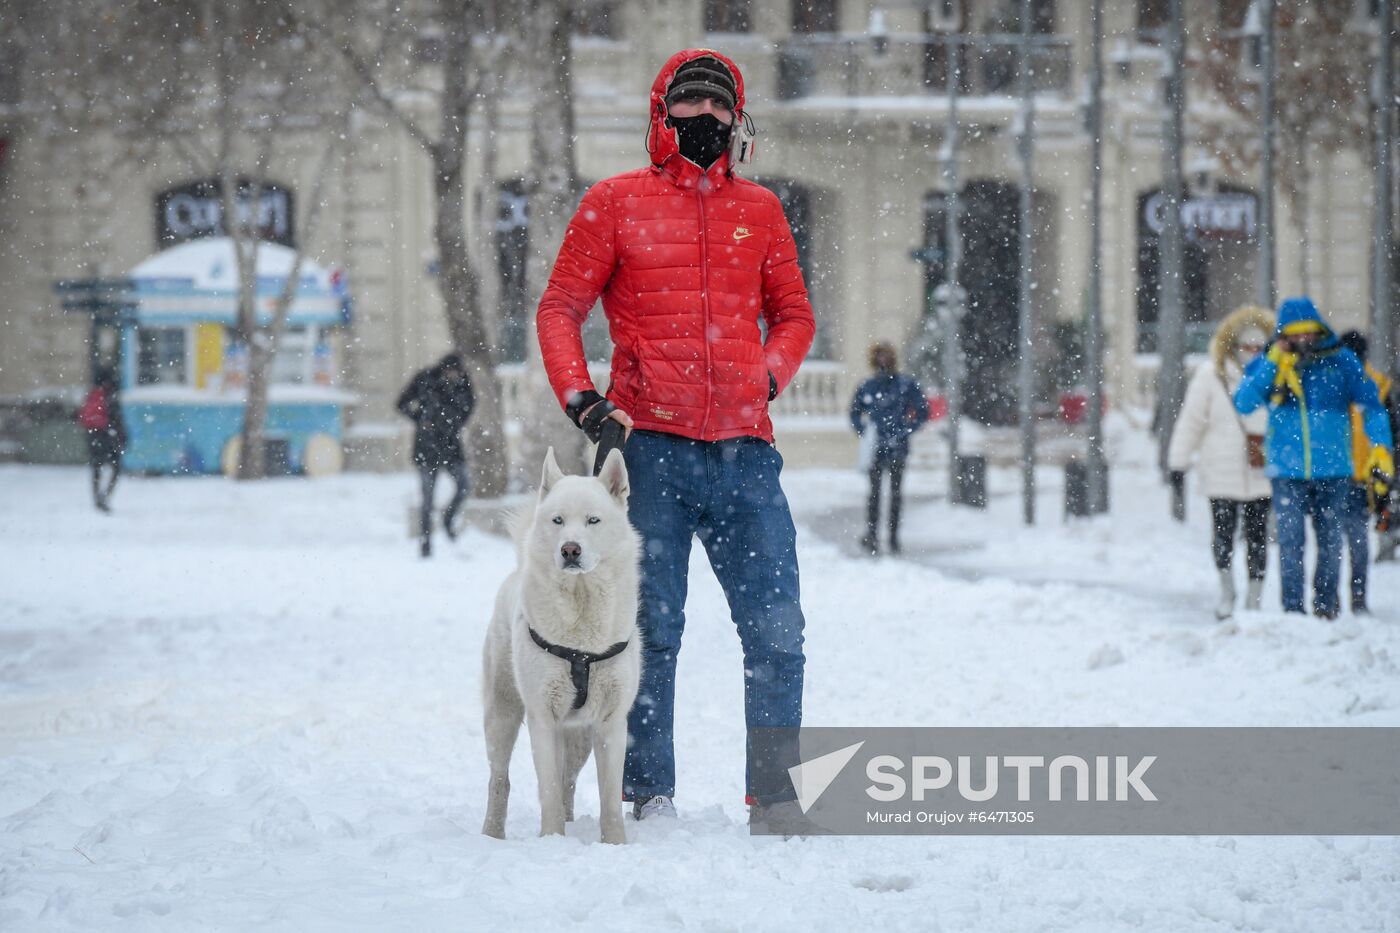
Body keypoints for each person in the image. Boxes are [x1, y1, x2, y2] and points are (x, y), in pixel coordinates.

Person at [536, 49, 816, 825]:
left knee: (778, 630)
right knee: (650, 634)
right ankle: (645, 792)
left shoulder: (759, 210)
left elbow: (795, 315)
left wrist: (764, 376)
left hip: (746, 458)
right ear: (662, 118)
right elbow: (560, 307)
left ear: (738, 118)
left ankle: (779, 797)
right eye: (688, 110)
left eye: (718, 111)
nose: (705, 122)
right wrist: (583, 402)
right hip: (647, 453)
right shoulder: (614, 203)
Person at [1234, 297, 1393, 619]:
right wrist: (1275, 362)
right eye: (1296, 334)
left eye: (1309, 332)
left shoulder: (1342, 362)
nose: (1304, 340)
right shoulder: (1272, 361)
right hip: (1287, 469)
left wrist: (1380, 446)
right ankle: (1293, 611)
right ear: (1283, 335)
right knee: (1291, 543)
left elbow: (1372, 404)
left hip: (1333, 469)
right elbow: (1244, 402)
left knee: (1331, 542)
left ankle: (1325, 608)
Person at [1167, 306, 1273, 619]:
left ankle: (1254, 598)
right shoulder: (1210, 375)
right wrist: (1178, 462)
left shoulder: (1273, 376)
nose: (1252, 353)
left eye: (1259, 347)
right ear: (1233, 346)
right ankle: (1227, 591)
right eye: (1246, 347)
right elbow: (1191, 422)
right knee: (1223, 536)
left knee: (1258, 539)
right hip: (1220, 471)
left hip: (1260, 472)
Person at [849, 341, 930, 555]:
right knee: (874, 494)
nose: (883, 360)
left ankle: (893, 538)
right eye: (880, 356)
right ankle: (873, 535)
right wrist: (865, 431)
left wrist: (904, 430)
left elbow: (922, 411)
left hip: (897, 447)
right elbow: (854, 413)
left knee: (895, 494)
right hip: (877, 448)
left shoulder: (904, 384)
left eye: (886, 356)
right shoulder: (869, 386)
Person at [1336, 330, 1396, 613]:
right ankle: (1356, 598)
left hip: (1342, 475)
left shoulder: (1336, 384)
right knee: (1355, 543)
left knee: (1334, 544)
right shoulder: (1377, 386)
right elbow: (1390, 437)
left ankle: (1332, 599)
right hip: (1363, 477)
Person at [396, 353, 474, 558]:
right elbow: (402, 403)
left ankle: (448, 518)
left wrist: (454, 423)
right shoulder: (425, 379)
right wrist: (420, 419)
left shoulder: (463, 383)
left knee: (464, 485)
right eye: (451, 371)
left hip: (451, 446)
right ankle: (425, 543)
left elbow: (469, 407)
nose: (454, 375)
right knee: (427, 498)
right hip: (427, 446)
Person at [77, 367, 126, 513]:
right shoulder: (110, 395)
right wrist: (121, 436)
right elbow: (116, 418)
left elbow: (81, 415)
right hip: (107, 435)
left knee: (96, 467)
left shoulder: (92, 393)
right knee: (116, 467)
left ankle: (97, 497)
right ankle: (104, 497)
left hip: (93, 434)